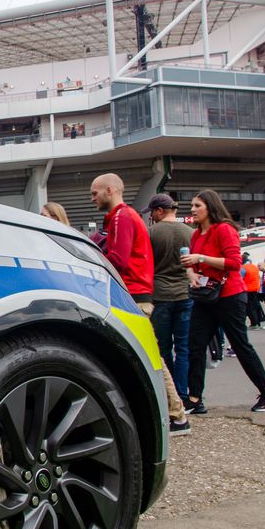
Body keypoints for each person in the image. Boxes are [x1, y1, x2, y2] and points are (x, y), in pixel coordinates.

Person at [90, 175, 189, 435]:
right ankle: (175, 413)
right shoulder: (126, 217)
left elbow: (118, 260)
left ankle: (176, 414)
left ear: (110, 191)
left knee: (150, 358)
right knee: (151, 356)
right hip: (140, 295)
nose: (93, 198)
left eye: (95, 193)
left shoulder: (122, 217)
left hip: (132, 295)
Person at [181, 189, 265, 413]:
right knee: (195, 346)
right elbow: (192, 266)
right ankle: (195, 399)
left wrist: (201, 258)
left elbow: (235, 263)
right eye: (193, 206)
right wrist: (192, 274)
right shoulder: (197, 234)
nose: (193, 210)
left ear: (210, 207)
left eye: (198, 206)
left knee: (240, 344)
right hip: (206, 296)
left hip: (230, 295)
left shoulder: (224, 229)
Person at [145, 193, 193, 406]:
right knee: (184, 347)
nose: (152, 217)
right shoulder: (191, 233)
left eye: (152, 213)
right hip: (186, 293)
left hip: (161, 295)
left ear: (159, 211)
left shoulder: (151, 233)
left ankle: (170, 396)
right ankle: (184, 393)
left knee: (163, 348)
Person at [242, 253, 264, 329]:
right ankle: (258, 322)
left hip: (247, 290)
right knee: (255, 306)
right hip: (255, 289)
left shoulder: (243, 268)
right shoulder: (255, 268)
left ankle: (254, 323)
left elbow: (240, 278)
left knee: (249, 307)